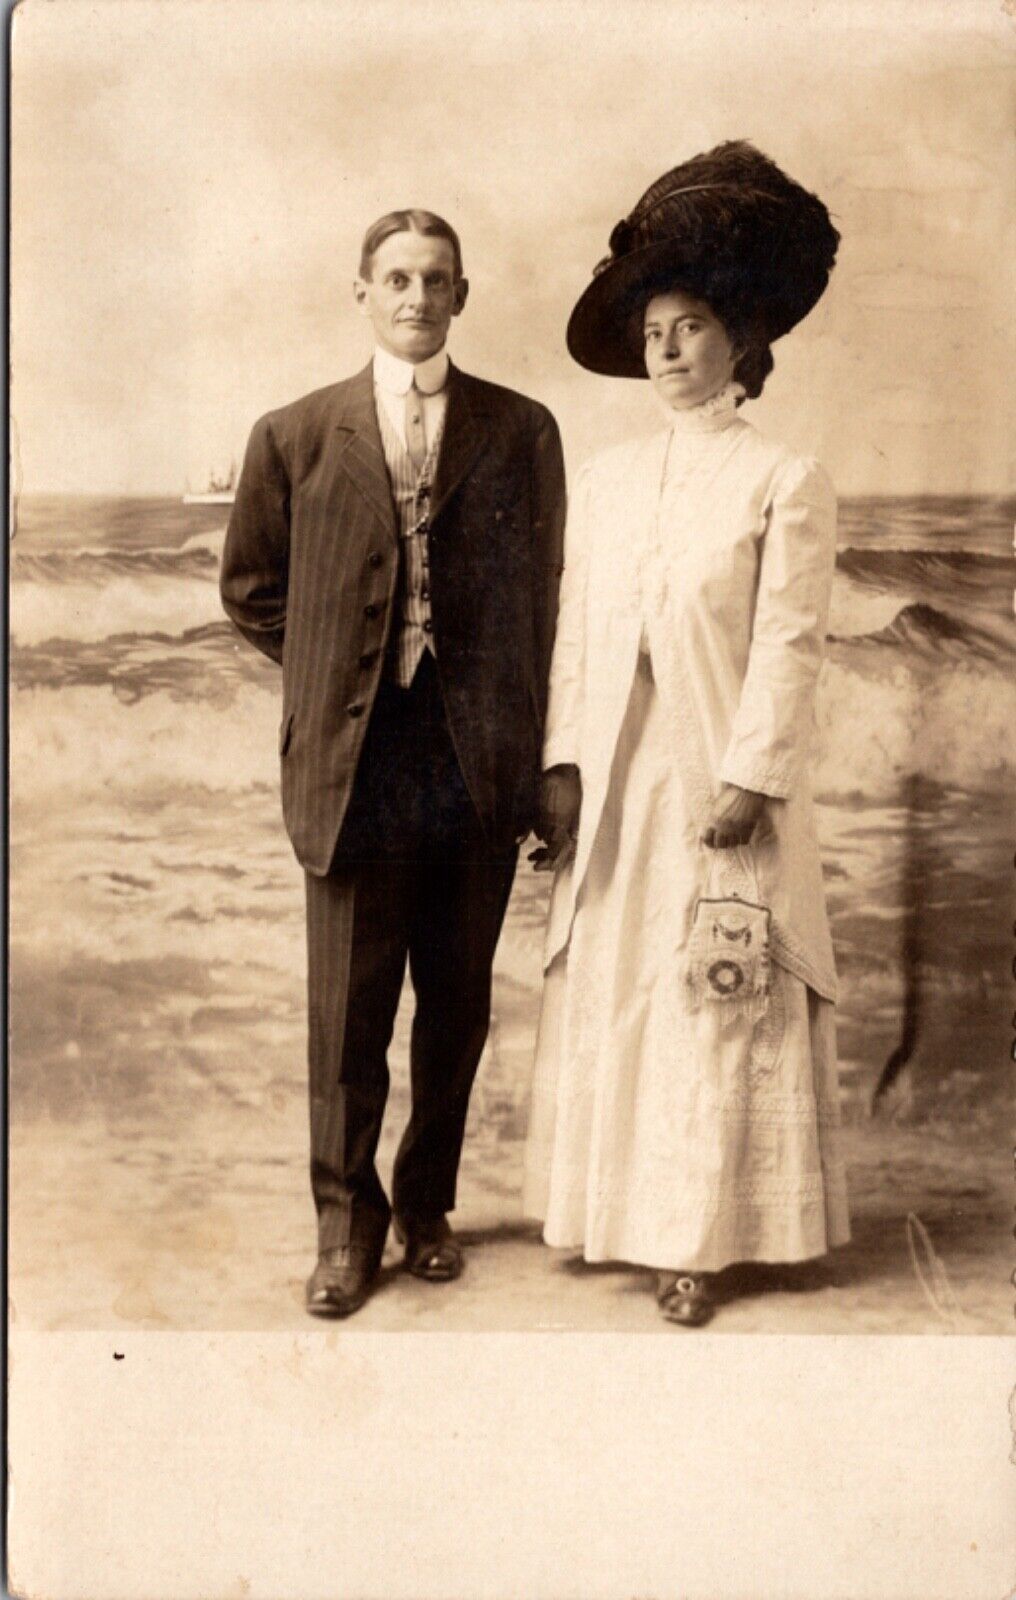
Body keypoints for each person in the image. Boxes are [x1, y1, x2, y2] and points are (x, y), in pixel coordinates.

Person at [524, 142, 850, 1327]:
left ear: (741, 341)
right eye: (652, 331)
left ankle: (698, 1240)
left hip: (717, 779)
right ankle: (614, 1215)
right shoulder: (609, 480)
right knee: (624, 992)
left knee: (714, 993)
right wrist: (562, 765)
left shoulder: (782, 476)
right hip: (621, 782)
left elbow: (789, 643)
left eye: (690, 326)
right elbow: (573, 635)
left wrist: (750, 778)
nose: (666, 350)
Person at [221, 209, 566, 1318]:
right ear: (361, 291)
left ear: (462, 296)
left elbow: (550, 595)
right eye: (397, 278)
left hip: (474, 757)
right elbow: (250, 591)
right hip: (356, 762)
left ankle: (424, 1204)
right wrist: (343, 675)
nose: (417, 297)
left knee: (455, 1003)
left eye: (437, 280)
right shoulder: (294, 433)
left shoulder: (521, 429)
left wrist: (532, 744)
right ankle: (342, 1221)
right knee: (347, 1014)